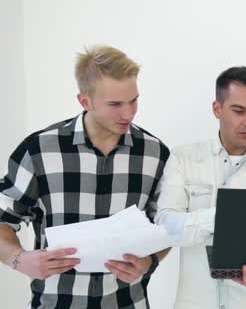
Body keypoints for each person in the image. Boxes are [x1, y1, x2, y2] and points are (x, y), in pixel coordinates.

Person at [0, 45, 171, 308]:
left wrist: (150, 261)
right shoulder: (39, 151)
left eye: (134, 100)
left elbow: (167, 226)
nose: (129, 113)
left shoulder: (155, 154)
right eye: (115, 104)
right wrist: (20, 259)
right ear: (84, 101)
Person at [155, 66, 246, 309]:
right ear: (217, 108)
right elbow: (167, 227)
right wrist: (228, 216)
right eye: (239, 111)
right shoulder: (184, 158)